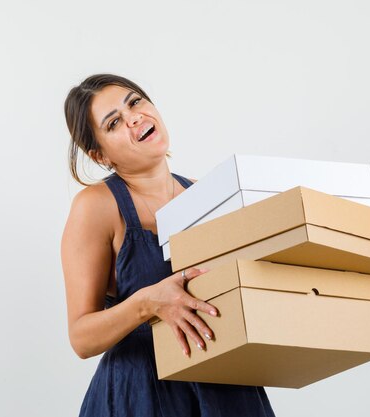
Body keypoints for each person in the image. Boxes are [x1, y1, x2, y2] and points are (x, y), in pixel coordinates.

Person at [61, 74, 275, 417]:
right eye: (114, 122)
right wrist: (148, 303)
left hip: (228, 389)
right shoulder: (96, 206)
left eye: (135, 102)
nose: (134, 117)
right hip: (145, 395)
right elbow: (81, 338)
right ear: (100, 155)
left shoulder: (209, 193)